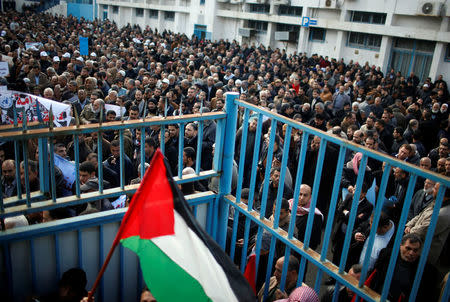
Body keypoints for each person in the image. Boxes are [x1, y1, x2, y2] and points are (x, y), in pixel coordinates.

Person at [370, 234, 438, 302]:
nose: (411, 253)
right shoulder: (387, 254)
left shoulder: (427, 270)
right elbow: (375, 276)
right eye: (408, 248)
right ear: (400, 246)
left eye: (415, 250)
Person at [289, 184, 323, 250]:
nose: (302, 198)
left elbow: (314, 241)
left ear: (310, 197)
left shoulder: (315, 215)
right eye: (300, 194)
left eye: (305, 195)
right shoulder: (288, 205)